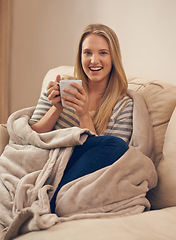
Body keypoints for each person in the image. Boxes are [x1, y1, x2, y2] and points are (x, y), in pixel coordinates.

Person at [29, 24, 133, 213]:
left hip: (81, 173)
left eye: (103, 53)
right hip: (49, 160)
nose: (94, 60)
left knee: (117, 146)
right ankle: (49, 201)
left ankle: (51, 201)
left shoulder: (123, 104)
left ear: (113, 58)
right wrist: (56, 108)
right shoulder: (62, 86)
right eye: (87, 53)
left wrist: (84, 114)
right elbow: (32, 136)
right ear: (80, 57)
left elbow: (108, 157)